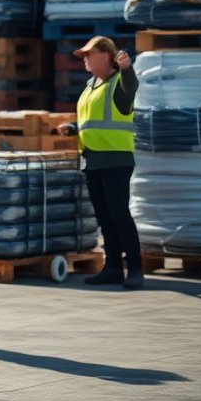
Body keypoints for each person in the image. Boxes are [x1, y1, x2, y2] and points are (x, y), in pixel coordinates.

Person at [56, 36, 143, 289]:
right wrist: (73, 128)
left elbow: (130, 89)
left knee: (120, 215)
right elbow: (91, 122)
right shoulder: (91, 86)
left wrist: (127, 68)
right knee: (104, 217)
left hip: (116, 159)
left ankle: (135, 268)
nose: (85, 59)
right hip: (92, 160)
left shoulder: (119, 82)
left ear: (107, 55)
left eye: (89, 54)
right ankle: (113, 267)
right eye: (83, 55)